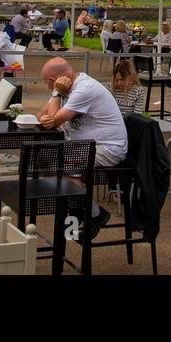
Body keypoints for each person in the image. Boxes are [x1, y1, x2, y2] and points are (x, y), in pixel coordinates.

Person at [38, 57, 129, 239]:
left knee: (58, 166)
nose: (49, 88)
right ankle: (79, 208)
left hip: (107, 148)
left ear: (53, 80)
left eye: (48, 84)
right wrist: (43, 117)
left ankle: (94, 214)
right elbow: (42, 113)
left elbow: (54, 120)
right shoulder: (65, 87)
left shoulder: (83, 89)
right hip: (85, 147)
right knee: (44, 161)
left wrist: (55, 96)